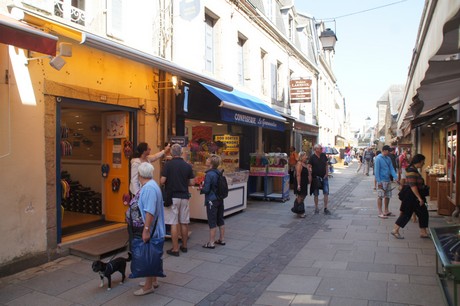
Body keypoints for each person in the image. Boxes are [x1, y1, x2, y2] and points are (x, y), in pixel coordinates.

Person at [126, 162, 165, 296]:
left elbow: (149, 211)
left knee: (148, 255)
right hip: (153, 227)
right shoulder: (152, 185)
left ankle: (148, 286)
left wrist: (146, 230)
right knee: (152, 254)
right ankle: (153, 280)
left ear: (139, 174)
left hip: (151, 228)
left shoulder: (148, 188)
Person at [160, 144, 195, 256]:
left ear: (171, 153)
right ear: (181, 153)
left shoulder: (168, 165)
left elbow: (162, 181)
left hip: (172, 197)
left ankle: (175, 249)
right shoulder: (187, 166)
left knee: (173, 223)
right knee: (184, 222)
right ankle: (184, 246)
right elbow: (192, 182)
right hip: (184, 196)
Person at [391, 154, 429, 239]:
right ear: (419, 162)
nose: (423, 163)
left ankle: (423, 232)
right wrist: (419, 198)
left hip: (413, 196)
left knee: (422, 213)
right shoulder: (412, 171)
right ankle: (395, 229)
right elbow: (413, 186)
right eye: (423, 162)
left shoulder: (413, 169)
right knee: (407, 214)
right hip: (412, 196)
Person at [200, 154, 226, 248]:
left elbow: (206, 189)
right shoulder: (218, 172)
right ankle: (222, 239)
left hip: (211, 200)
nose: (206, 160)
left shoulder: (209, 174)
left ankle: (211, 243)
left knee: (212, 221)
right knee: (220, 219)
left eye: (207, 159)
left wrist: (201, 189)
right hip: (220, 199)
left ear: (210, 163)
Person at [375, 145, 399, 219]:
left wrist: (395, 177)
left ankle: (386, 210)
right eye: (388, 151)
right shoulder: (378, 159)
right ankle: (380, 212)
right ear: (384, 150)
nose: (389, 152)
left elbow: (391, 168)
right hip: (381, 180)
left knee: (388, 196)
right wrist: (379, 182)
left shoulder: (388, 158)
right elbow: (376, 171)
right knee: (380, 196)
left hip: (388, 179)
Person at [308, 144, 330, 215]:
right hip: (316, 178)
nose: (322, 149)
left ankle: (325, 208)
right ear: (316, 149)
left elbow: (326, 165)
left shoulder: (323, 155)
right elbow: (309, 167)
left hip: (324, 177)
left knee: (326, 192)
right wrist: (310, 177)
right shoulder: (312, 157)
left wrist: (327, 173)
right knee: (316, 193)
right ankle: (316, 207)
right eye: (320, 148)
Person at [294, 151, 309, 218]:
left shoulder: (304, 164)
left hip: (304, 182)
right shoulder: (299, 164)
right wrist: (298, 185)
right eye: (305, 156)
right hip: (300, 182)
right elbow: (298, 174)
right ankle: (300, 211)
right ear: (302, 157)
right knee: (300, 196)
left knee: (303, 196)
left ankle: (297, 209)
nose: (306, 157)